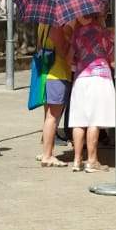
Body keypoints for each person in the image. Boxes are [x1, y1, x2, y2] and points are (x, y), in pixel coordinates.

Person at [67, 11, 116, 173]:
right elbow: (115, 61)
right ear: (98, 16)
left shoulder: (76, 33)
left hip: (80, 79)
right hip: (100, 78)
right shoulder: (106, 34)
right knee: (94, 120)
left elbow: (69, 59)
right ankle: (92, 160)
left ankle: (76, 160)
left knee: (79, 120)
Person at [34, 21, 74, 168]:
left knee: (48, 115)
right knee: (53, 116)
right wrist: (72, 43)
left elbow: (39, 46)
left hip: (46, 73)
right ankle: (47, 156)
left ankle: (46, 150)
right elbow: (64, 53)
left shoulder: (42, 24)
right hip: (58, 73)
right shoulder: (57, 27)